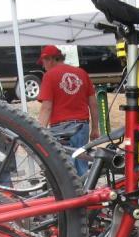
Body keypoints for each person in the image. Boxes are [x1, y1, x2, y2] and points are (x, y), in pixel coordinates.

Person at [36, 45, 99, 174]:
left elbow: (46, 108)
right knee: (81, 166)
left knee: (65, 170)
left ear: (50, 59)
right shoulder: (82, 73)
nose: (43, 66)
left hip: (61, 129)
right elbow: (93, 103)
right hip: (82, 126)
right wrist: (95, 128)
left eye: (44, 62)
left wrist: (38, 132)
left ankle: (71, 194)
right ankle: (85, 192)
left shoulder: (49, 76)